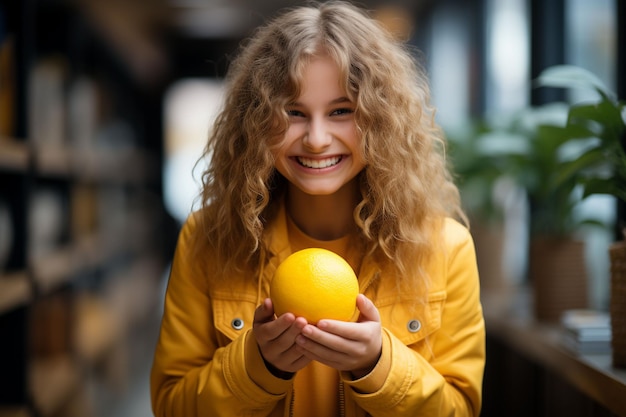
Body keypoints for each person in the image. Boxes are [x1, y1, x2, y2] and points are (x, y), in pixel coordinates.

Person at [150, 2, 485, 416]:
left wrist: (378, 365)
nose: (316, 138)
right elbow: (171, 406)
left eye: (341, 111)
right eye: (293, 113)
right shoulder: (206, 239)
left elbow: (460, 409)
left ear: (380, 120)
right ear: (255, 123)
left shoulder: (446, 249)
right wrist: (257, 366)